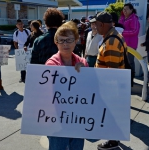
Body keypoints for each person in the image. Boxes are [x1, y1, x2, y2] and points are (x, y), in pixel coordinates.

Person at [75, 11, 126, 150]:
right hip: (111, 86)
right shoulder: (112, 36)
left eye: (96, 24)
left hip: (110, 88)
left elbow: (112, 73)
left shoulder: (111, 41)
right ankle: (114, 138)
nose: (95, 27)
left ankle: (113, 141)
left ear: (102, 24)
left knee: (111, 114)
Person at [45, 21, 88, 150]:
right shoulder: (51, 65)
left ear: (76, 41)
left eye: (69, 40)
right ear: (56, 42)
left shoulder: (83, 62)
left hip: (78, 118)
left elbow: (90, 91)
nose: (65, 44)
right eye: (61, 40)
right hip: (57, 120)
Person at [119, 3, 140, 71]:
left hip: (131, 44)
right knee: (122, 62)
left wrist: (122, 32)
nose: (124, 11)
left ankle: (131, 78)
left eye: (126, 9)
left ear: (131, 10)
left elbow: (135, 31)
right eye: (124, 9)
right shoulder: (122, 18)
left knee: (130, 62)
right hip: (122, 43)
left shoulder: (134, 19)